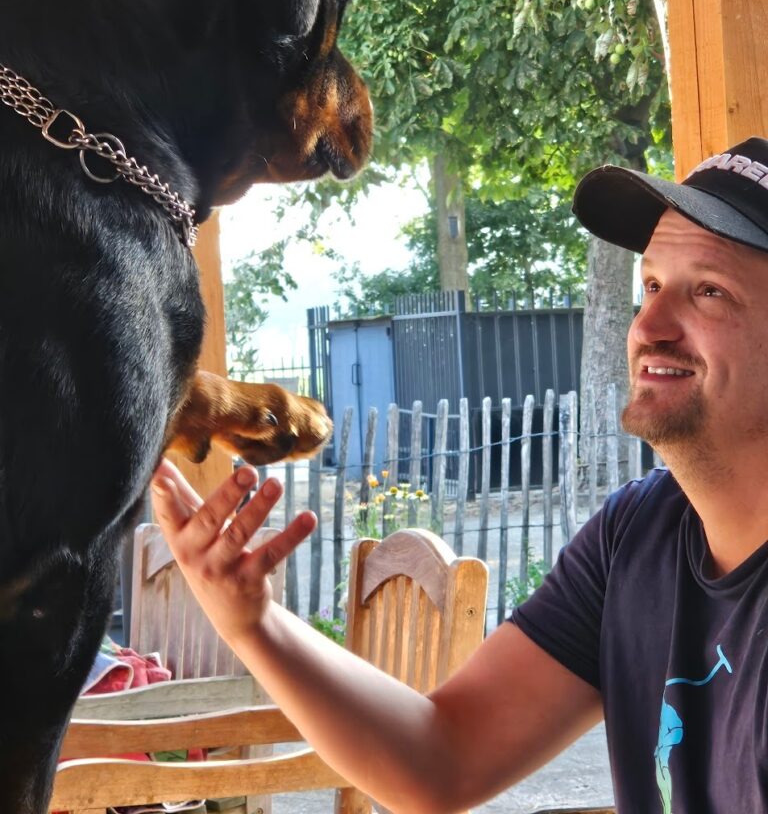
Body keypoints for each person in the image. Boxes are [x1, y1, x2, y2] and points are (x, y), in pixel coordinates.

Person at [152, 135, 768, 814]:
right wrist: (252, 622)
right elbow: (442, 757)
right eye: (651, 284)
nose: (649, 323)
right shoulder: (637, 535)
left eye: (708, 291)